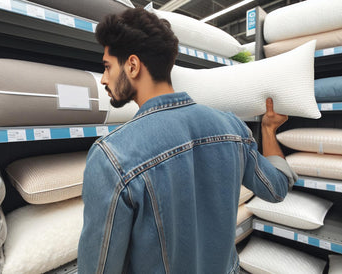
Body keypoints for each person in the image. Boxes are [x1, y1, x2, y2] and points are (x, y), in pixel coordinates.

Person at [78, 7, 298, 274]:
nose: (103, 78)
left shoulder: (113, 155)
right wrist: (269, 130)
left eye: (107, 66)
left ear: (132, 66)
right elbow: (276, 189)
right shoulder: (232, 128)